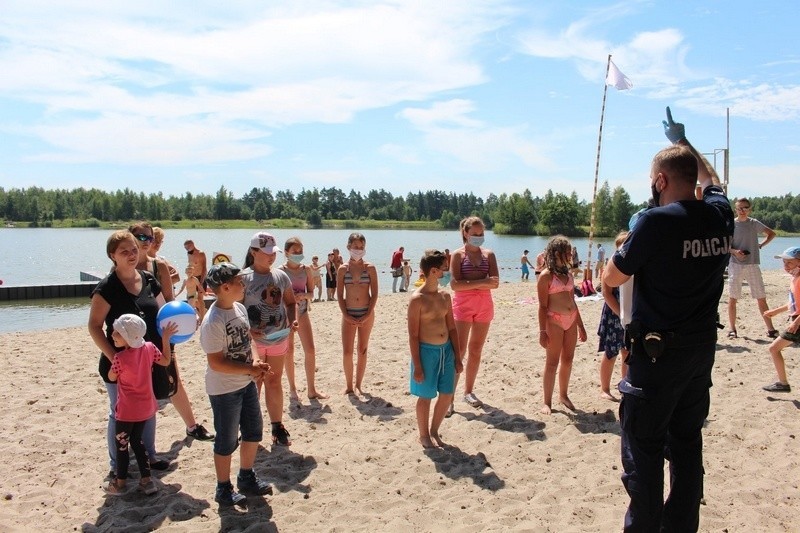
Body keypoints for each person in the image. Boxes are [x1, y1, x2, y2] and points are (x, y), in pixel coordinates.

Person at [603, 107, 734, 531]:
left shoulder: (656, 222)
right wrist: (686, 143)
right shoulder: (719, 215)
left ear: (660, 181)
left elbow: (613, 275)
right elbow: (712, 181)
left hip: (655, 358)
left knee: (643, 455)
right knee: (687, 447)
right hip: (699, 354)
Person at [89, 230, 170, 478]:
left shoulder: (148, 279)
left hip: (146, 359)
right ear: (113, 255)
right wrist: (115, 356)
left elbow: (165, 311)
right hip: (118, 365)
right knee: (118, 412)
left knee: (149, 407)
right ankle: (117, 466)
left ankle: (150, 455)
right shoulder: (107, 288)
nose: (132, 255)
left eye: (134, 249)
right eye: (124, 251)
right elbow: (94, 326)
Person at [131, 222, 214, 442]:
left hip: (160, 333)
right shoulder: (121, 267)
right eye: (141, 237)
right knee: (137, 384)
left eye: (149, 238)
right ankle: (137, 438)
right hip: (133, 337)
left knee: (172, 379)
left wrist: (185, 322)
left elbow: (169, 303)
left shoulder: (159, 266)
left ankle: (192, 425)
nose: (147, 242)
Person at [199, 262, 274, 506]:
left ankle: (246, 476)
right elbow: (217, 363)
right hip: (224, 390)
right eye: (239, 281)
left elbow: (248, 339)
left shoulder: (239, 308)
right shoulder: (213, 321)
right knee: (227, 440)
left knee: (253, 431)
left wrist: (256, 361)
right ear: (225, 286)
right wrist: (249, 369)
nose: (244, 285)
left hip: (245, 384)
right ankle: (223, 487)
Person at [104, 314, 177, 496]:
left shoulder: (119, 358)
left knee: (122, 444)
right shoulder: (150, 348)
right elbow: (166, 361)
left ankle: (120, 484)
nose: (113, 335)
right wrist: (165, 339)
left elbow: (111, 377)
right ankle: (147, 480)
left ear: (128, 337)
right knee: (138, 441)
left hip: (127, 410)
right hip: (146, 407)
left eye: (117, 333)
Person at [242, 232, 297, 447]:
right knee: (253, 384)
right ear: (253, 252)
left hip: (278, 338)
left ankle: (277, 425)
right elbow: (235, 310)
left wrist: (292, 322)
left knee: (274, 381)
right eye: (266, 253)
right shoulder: (243, 278)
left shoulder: (281, 276)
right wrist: (248, 331)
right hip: (252, 343)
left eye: (274, 253)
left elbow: (291, 303)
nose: (271, 257)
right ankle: (248, 428)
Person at [408, 250, 462, 448]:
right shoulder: (417, 299)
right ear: (433, 271)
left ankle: (434, 431)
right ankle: (423, 435)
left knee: (447, 393)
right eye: (444, 269)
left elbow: (452, 327)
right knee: (426, 395)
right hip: (425, 351)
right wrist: (418, 365)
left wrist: (457, 356)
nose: (448, 273)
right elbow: (413, 335)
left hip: (446, 351)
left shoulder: (445, 296)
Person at [449, 216, 500, 415]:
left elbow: (495, 282)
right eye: (475, 234)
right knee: (459, 351)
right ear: (465, 233)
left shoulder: (489, 254)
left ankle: (468, 391)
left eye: (481, 234)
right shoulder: (457, 255)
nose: (478, 237)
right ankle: (449, 397)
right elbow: (454, 284)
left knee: (476, 350)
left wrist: (472, 283)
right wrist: (482, 282)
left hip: (484, 306)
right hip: (462, 305)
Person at [537, 235, 587, 414]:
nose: (570, 255)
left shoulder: (568, 273)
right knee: (552, 362)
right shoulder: (546, 276)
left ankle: (563, 395)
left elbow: (572, 301)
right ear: (557, 253)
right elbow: (542, 306)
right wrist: (542, 331)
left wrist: (581, 325)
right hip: (554, 321)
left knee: (568, 359)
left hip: (571, 319)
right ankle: (547, 402)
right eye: (567, 252)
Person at [279, 237, 327, 402]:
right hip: (286, 316)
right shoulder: (280, 271)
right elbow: (275, 296)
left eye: (300, 251)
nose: (298, 254)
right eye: (295, 251)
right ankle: (292, 389)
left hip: (303, 312)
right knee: (289, 351)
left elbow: (312, 293)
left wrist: (303, 295)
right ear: (286, 253)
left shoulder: (306, 269)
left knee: (310, 350)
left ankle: (311, 389)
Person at [727, 197, 778, 339]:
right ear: (735, 209)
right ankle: (732, 329)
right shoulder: (731, 224)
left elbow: (772, 234)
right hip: (735, 264)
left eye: (745, 208)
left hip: (752, 264)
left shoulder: (754, 223)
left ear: (750, 209)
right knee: (733, 298)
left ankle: (771, 329)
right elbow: (724, 245)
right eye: (739, 208)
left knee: (761, 297)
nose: (742, 211)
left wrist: (760, 245)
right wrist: (735, 251)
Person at [336, 232, 378, 395]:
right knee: (347, 351)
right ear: (348, 247)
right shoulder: (342, 269)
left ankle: (359, 384)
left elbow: (374, 293)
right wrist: (346, 315)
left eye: (361, 247)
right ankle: (349, 385)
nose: (358, 250)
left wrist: (368, 314)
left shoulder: (370, 268)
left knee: (362, 349)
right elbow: (340, 295)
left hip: (366, 312)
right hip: (348, 313)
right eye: (355, 247)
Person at [761, 246, 800, 392]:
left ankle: (783, 384)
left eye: (789, 262)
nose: (785, 266)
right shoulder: (795, 278)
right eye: (784, 262)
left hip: (798, 323)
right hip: (796, 321)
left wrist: (796, 322)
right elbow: (793, 303)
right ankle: (783, 383)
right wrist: (776, 311)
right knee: (774, 349)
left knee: (773, 348)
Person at [597, 232, 630, 401]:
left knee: (627, 352)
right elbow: (606, 292)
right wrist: (620, 313)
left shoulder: (633, 266)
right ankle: (605, 389)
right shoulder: (610, 267)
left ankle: (625, 385)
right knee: (610, 353)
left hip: (629, 314)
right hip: (613, 313)